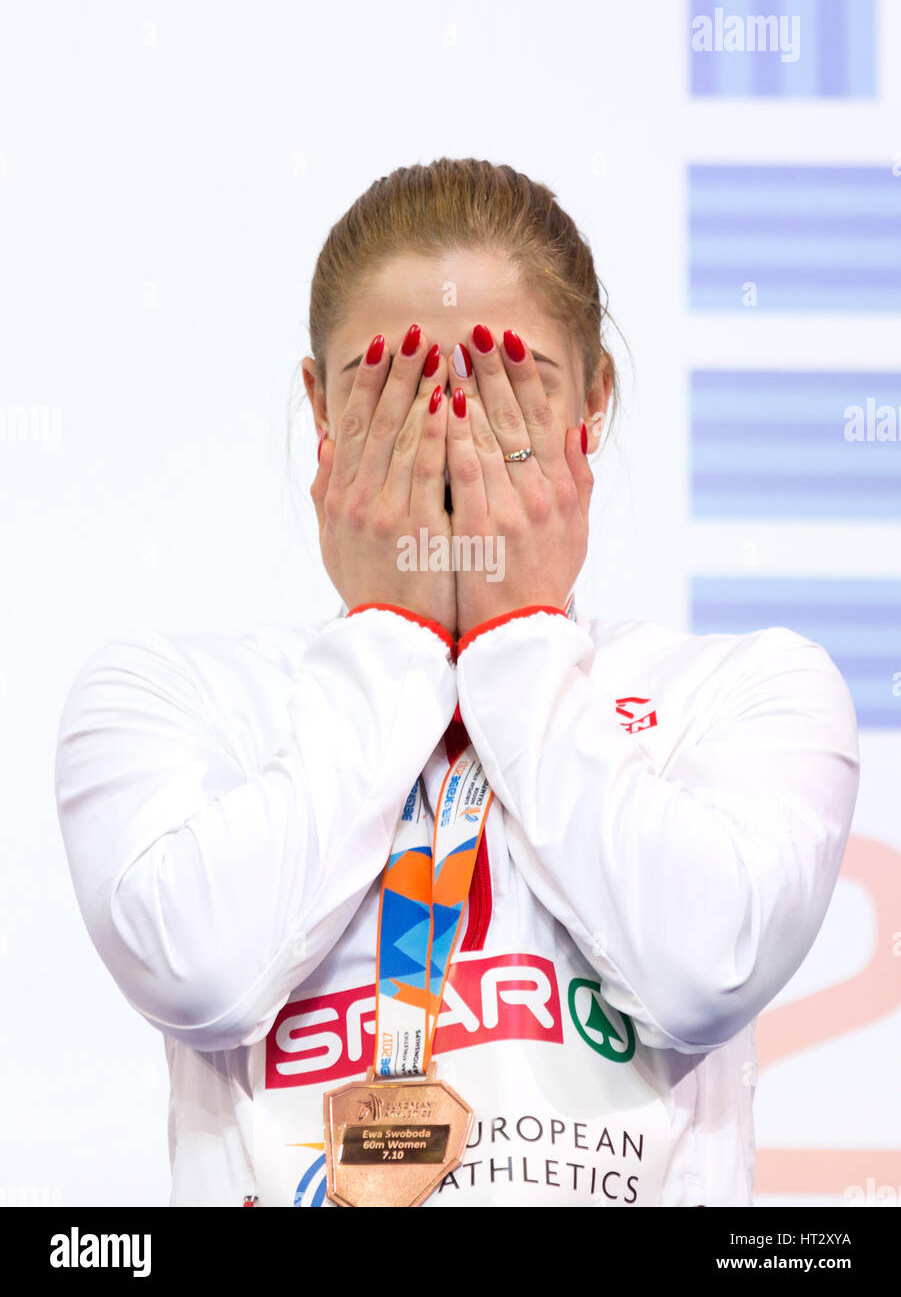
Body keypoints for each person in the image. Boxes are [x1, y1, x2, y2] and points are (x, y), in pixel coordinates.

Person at [54, 157, 860, 1208]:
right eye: (391, 392)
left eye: (497, 389)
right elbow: (202, 976)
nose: (444, 439)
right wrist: (391, 635)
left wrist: (518, 632)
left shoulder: (747, 689)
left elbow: (700, 971)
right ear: (318, 408)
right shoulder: (170, 694)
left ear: (595, 399)